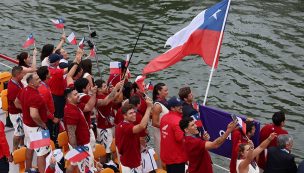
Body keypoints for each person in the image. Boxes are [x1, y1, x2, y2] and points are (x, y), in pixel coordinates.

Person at [15, 73, 50, 173]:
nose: (40, 80)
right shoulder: (35, 96)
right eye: (37, 79)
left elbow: (16, 102)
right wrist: (43, 124)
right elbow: (34, 114)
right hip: (37, 128)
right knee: (41, 154)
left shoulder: (24, 90)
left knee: (30, 147)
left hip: (27, 126)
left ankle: (27, 169)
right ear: (31, 83)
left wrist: (25, 111)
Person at [115, 98, 153, 173]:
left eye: (134, 112)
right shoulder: (126, 127)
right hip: (130, 164)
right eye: (130, 113)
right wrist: (149, 108)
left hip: (131, 160)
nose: (134, 114)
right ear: (124, 116)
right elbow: (142, 126)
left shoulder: (123, 125)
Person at [63, 87, 96, 173]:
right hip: (81, 145)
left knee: (74, 164)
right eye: (75, 94)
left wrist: (93, 94)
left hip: (81, 144)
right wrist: (77, 150)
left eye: (77, 93)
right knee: (86, 169)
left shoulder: (75, 106)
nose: (78, 96)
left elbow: (89, 106)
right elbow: (71, 133)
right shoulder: (71, 112)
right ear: (69, 98)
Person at [160, 96, 187, 173]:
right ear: (172, 108)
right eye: (178, 106)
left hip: (166, 156)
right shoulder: (178, 121)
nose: (181, 107)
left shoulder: (164, 118)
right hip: (177, 158)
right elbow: (180, 139)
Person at [37, 66, 60, 143]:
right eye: (49, 71)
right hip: (47, 119)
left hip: (48, 116)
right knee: (48, 137)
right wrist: (53, 118)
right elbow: (44, 108)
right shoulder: (44, 90)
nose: (51, 71)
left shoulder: (44, 86)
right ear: (46, 75)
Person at [151, 82, 169, 166]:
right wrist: (168, 127)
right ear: (159, 91)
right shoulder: (157, 105)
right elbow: (154, 123)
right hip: (160, 134)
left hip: (166, 133)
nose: (167, 92)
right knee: (161, 153)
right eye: (165, 90)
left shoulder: (165, 102)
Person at [7, 66, 25, 151]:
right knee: (18, 133)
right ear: (18, 75)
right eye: (22, 73)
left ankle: (22, 146)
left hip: (20, 112)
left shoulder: (18, 82)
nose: (24, 75)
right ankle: (14, 150)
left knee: (22, 132)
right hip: (16, 114)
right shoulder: (13, 88)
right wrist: (27, 110)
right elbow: (17, 105)